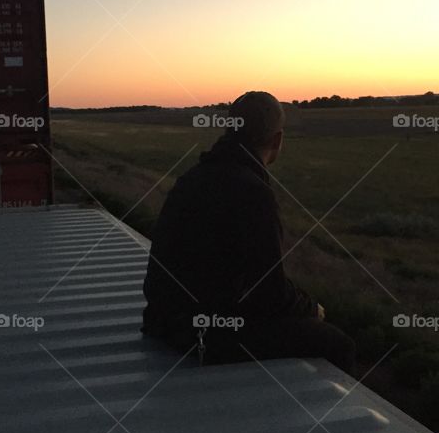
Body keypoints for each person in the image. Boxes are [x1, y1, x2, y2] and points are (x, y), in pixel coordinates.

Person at [142, 91, 357, 375]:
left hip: (164, 322)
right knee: (338, 345)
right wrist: (311, 308)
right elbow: (268, 293)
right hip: (203, 334)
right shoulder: (252, 192)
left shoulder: (193, 178)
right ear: (277, 140)